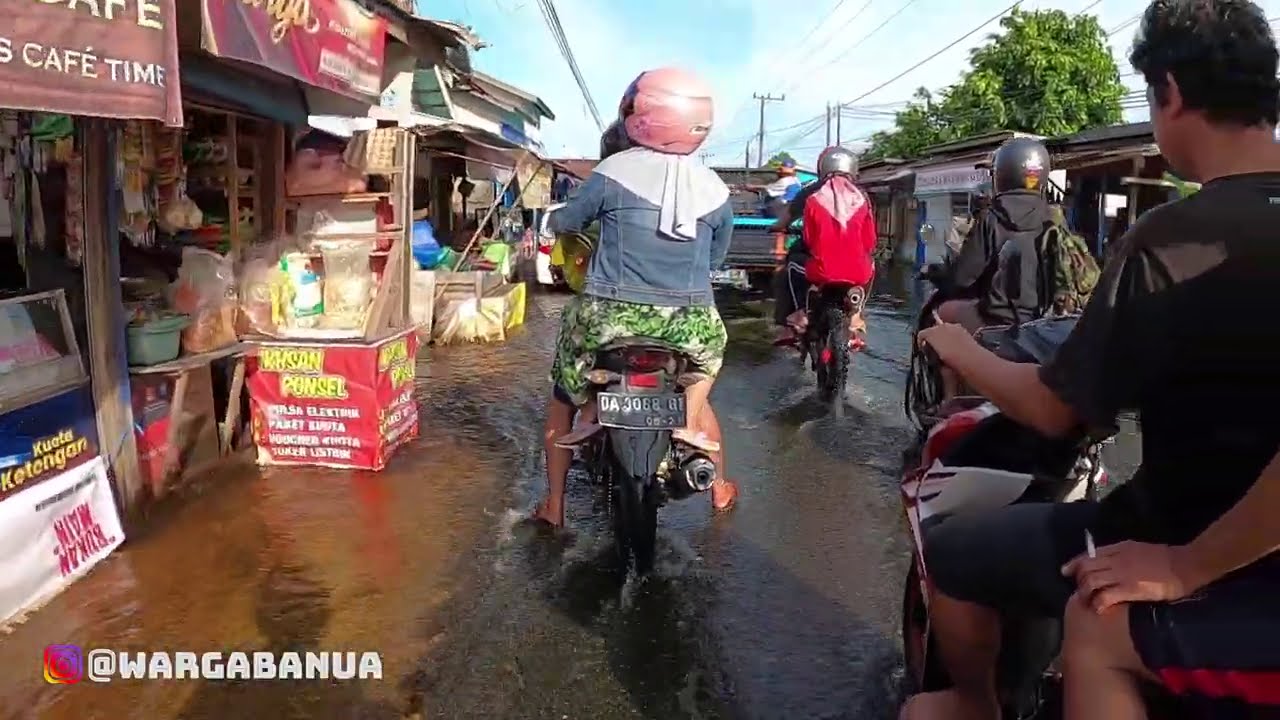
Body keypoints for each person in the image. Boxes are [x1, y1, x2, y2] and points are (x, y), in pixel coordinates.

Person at [901, 1, 1280, 718]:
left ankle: (973, 702)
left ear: (1166, 92)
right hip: (1069, 352)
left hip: (1175, 532)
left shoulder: (1168, 238)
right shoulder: (1079, 232)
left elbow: (1054, 404)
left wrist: (956, 346)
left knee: (949, 550)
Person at [532, 69, 739, 529]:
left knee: (562, 392)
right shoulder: (717, 190)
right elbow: (715, 258)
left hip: (610, 317)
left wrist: (560, 221)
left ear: (641, 116)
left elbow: (570, 221)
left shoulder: (610, 173)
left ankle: (556, 502)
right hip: (689, 322)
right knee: (708, 364)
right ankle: (706, 459)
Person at [934, 137, 1056, 335]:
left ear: (1002, 174)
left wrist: (941, 277)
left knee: (943, 311)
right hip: (1044, 321)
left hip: (998, 319)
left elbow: (962, 279)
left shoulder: (994, 218)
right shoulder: (1055, 218)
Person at [768, 146, 877, 346]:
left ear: (822, 168)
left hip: (820, 265)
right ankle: (856, 314)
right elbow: (870, 241)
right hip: (857, 270)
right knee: (871, 265)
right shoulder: (862, 197)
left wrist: (778, 228)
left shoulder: (811, 194)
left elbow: (809, 238)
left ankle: (796, 316)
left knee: (789, 270)